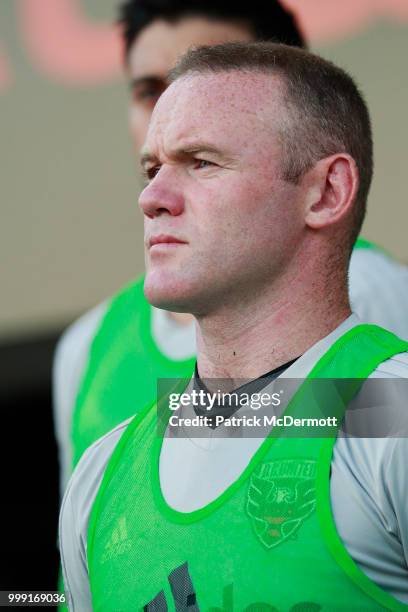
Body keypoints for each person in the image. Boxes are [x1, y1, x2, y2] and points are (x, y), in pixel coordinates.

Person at [60, 42, 408, 610]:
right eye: (152, 169)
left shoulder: (394, 415)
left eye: (202, 162)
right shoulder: (100, 475)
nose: (152, 198)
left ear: (326, 192)